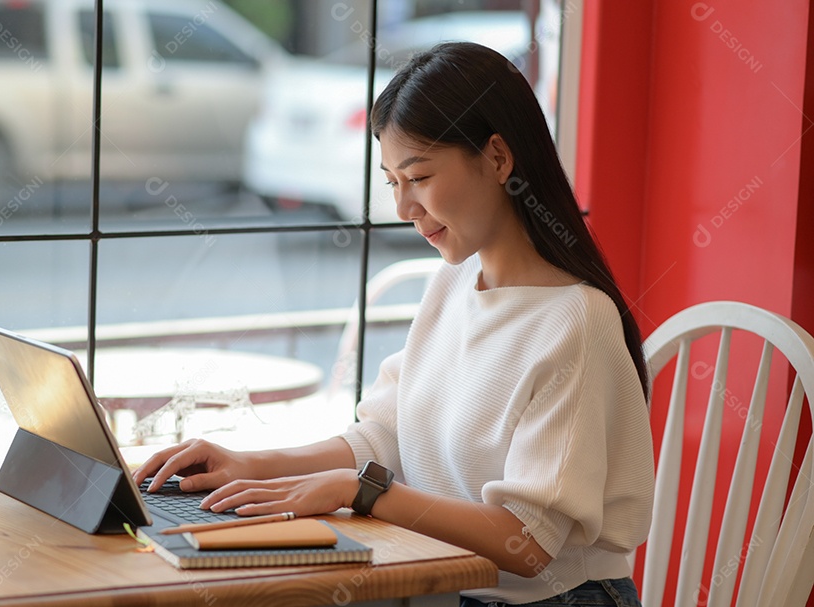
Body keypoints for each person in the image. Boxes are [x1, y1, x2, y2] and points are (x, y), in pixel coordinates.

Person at [133, 42, 654, 607]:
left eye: (420, 176)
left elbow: (528, 545)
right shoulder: (453, 284)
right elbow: (382, 436)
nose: (404, 207)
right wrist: (250, 464)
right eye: (392, 182)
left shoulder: (575, 321)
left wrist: (366, 493)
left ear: (499, 158)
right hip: (451, 583)